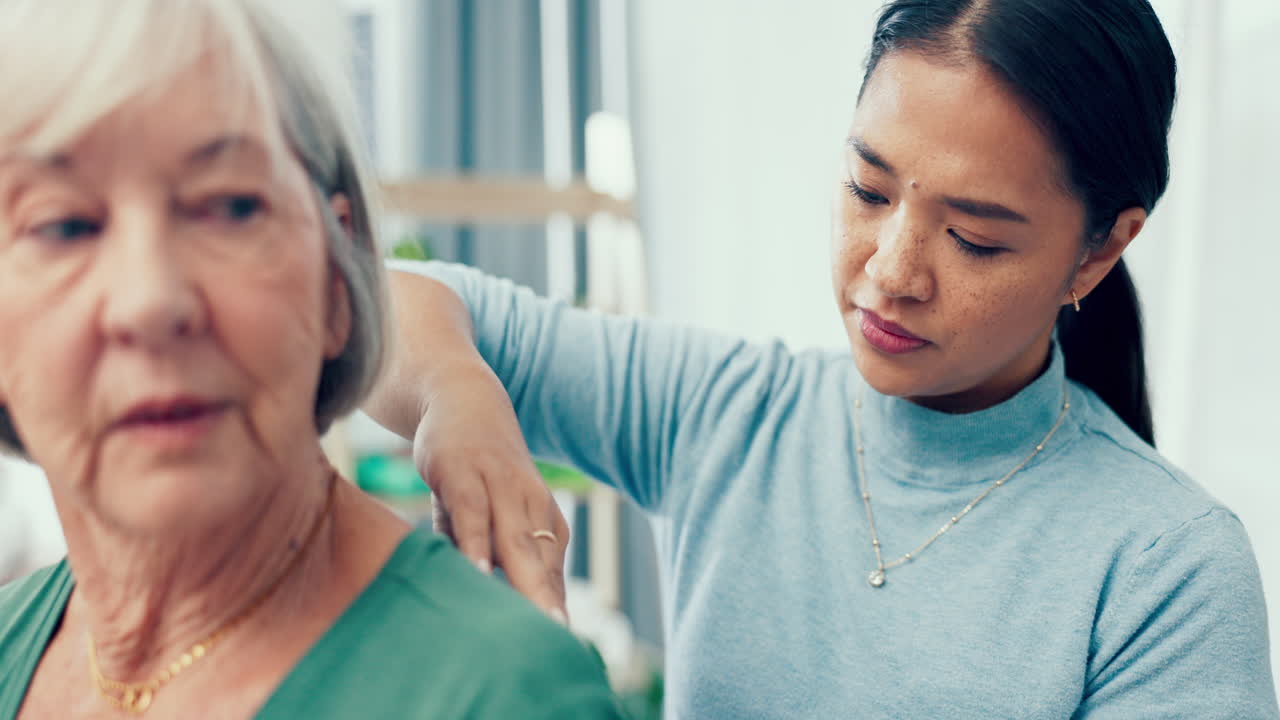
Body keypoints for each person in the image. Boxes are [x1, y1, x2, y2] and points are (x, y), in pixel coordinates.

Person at [365, 0, 1279, 717]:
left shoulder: (1168, 571)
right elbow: (374, 303)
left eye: (973, 239)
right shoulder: (723, 413)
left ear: (1100, 249)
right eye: (867, 190)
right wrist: (459, 391)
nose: (891, 272)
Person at [0, 1, 623, 717]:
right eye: (63, 225)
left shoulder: (504, 694)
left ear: (335, 281)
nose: (149, 300)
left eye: (229, 207)